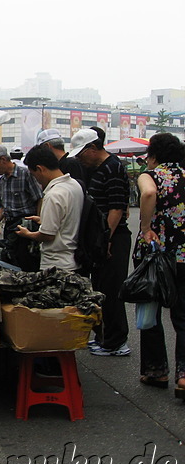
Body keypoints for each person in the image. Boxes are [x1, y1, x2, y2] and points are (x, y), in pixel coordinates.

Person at [70, 127, 132, 357]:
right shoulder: (100, 168)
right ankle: (105, 337)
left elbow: (116, 208)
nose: (79, 159)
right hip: (104, 237)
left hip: (114, 238)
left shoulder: (113, 168)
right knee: (102, 288)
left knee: (112, 290)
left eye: (81, 153)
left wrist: (106, 238)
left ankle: (116, 341)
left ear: (93, 149)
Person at [133, 133, 185, 392]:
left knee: (151, 310)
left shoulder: (150, 175)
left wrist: (144, 227)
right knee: (183, 315)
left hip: (158, 253)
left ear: (153, 155)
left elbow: (149, 193)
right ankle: (184, 375)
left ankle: (157, 371)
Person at [16, 145, 84, 272]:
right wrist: (44, 219)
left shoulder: (53, 195)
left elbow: (47, 235)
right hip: (74, 259)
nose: (36, 179)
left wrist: (28, 234)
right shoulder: (75, 185)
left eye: (34, 175)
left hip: (56, 264)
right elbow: (67, 218)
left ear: (40, 169)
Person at [0, 144, 43, 271]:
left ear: (3, 160)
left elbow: (39, 199)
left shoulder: (26, 175)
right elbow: (4, 208)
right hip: (10, 226)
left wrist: (39, 223)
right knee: (11, 260)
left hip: (26, 225)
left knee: (27, 262)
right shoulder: (2, 181)